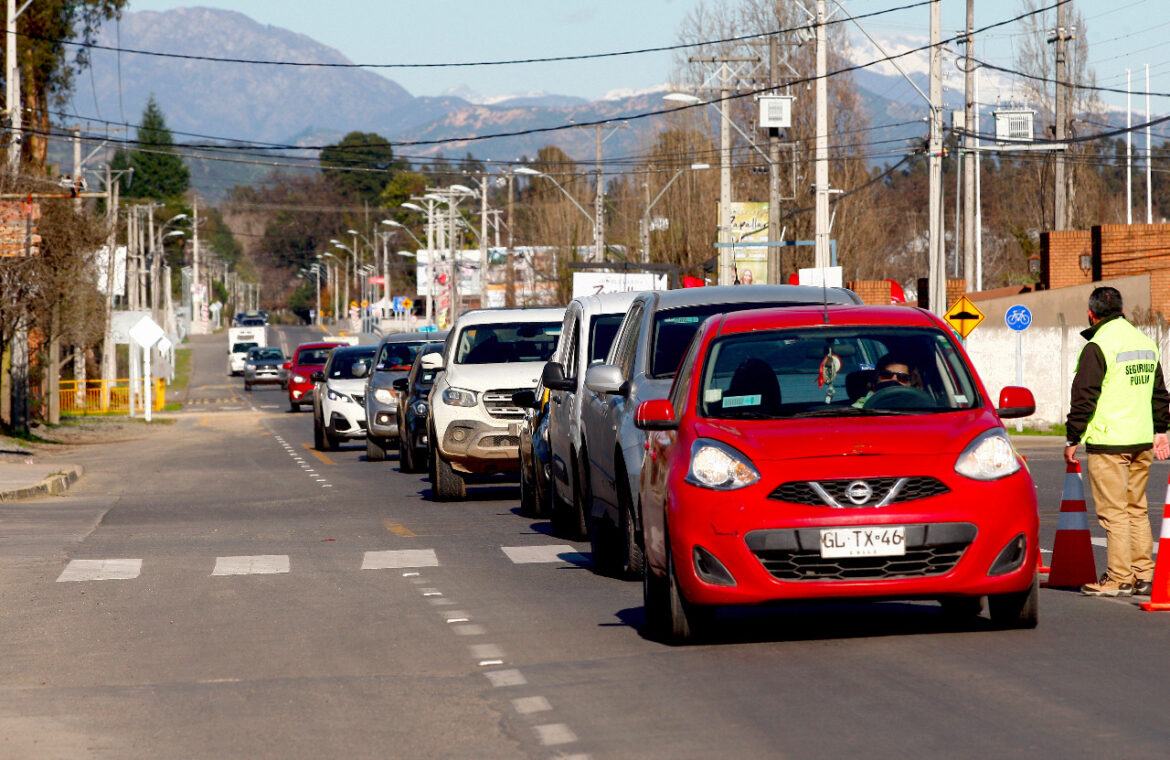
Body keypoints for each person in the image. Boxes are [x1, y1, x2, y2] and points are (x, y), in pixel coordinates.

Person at [1065, 287, 1170, 598]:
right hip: (1141, 440)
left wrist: (1073, 437)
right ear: (1123, 310)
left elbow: (1084, 396)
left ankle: (1118, 577)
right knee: (1136, 508)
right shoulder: (1145, 342)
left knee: (1113, 512)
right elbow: (1159, 393)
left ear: (1091, 314)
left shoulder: (1098, 346)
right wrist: (1161, 430)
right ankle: (1143, 574)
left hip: (1110, 442)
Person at [862, 353, 931, 409]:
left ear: (910, 382)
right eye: (887, 374)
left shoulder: (920, 406)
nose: (894, 379)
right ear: (877, 377)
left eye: (902, 377)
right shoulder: (863, 403)